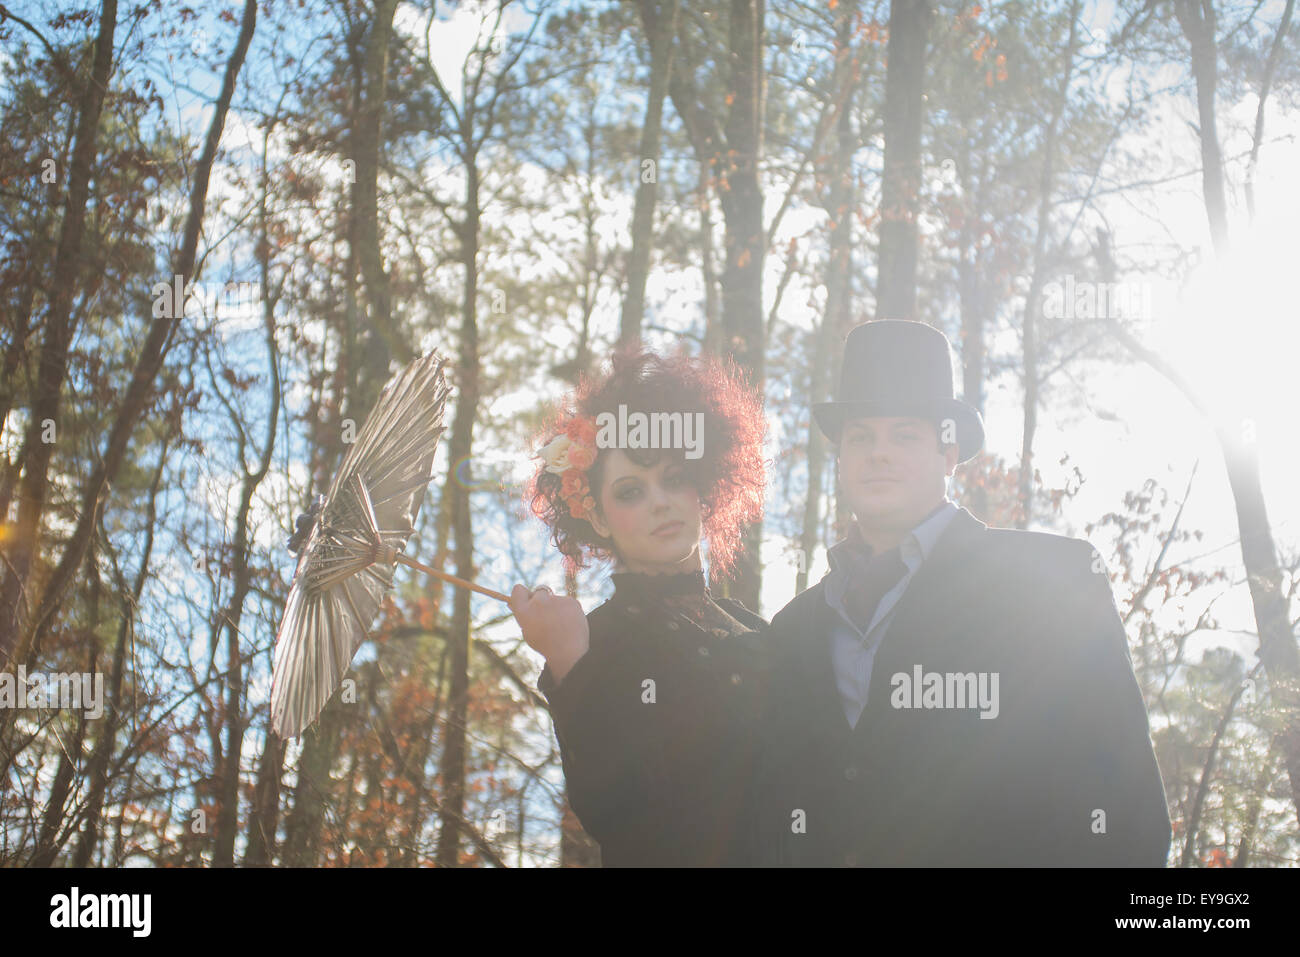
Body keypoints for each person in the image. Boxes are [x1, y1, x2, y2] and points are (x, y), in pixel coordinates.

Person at [753, 319, 1173, 866]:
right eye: (861, 436)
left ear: (948, 456)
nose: (878, 453)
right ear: (840, 457)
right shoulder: (791, 629)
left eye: (905, 434)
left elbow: (1128, 809)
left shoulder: (1052, 581)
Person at [509, 347, 770, 866]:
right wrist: (570, 666)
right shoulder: (592, 642)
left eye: (674, 478)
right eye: (630, 491)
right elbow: (608, 807)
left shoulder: (755, 631)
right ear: (598, 517)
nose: (660, 501)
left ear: (704, 486)